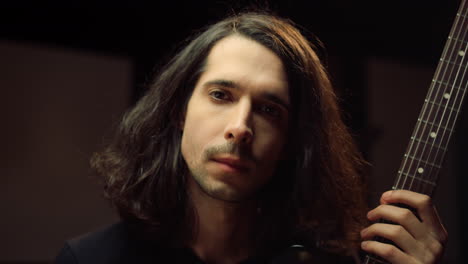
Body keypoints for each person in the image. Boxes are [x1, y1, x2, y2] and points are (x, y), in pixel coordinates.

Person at [55, 10, 447, 264]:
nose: (241, 126)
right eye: (221, 95)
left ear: (291, 141)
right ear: (178, 112)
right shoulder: (91, 258)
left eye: (268, 109)